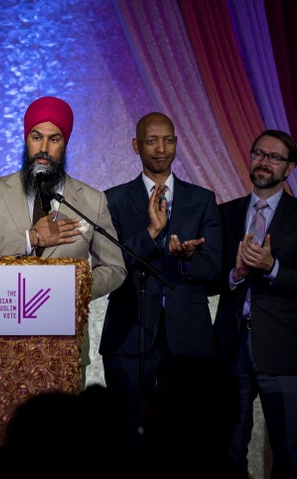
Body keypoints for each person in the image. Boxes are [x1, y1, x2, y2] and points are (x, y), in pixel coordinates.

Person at [0, 96, 127, 376]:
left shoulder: (91, 201)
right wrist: (30, 238)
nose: (44, 148)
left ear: (66, 144)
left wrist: (74, 288)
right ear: (26, 140)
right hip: (0, 344)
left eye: (54, 139)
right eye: (37, 137)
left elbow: (115, 268)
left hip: (63, 345)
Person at [213, 130, 297, 479]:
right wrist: (235, 273)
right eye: (259, 154)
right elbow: (208, 278)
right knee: (227, 453)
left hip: (282, 352)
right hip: (230, 351)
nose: (264, 162)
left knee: (289, 456)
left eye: (274, 157)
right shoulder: (226, 213)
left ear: (289, 167)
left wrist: (271, 267)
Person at [99, 112, 222, 435]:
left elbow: (214, 268)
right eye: (151, 141)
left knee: (189, 434)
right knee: (125, 432)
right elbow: (112, 263)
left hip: (189, 337)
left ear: (177, 144)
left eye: (168, 140)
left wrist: (187, 259)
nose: (161, 148)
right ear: (135, 146)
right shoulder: (113, 200)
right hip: (130, 331)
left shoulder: (202, 199)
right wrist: (152, 234)